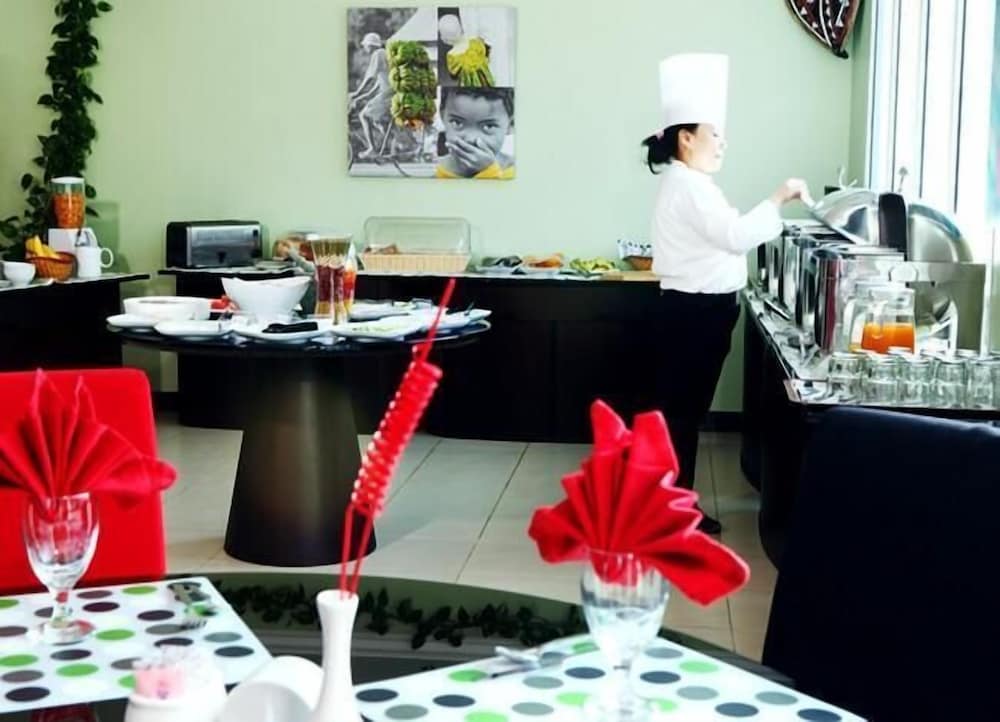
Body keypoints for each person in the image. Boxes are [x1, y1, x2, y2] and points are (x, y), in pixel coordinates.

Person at [647, 53, 811, 534]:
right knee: (683, 414)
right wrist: (779, 196)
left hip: (697, 312)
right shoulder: (690, 186)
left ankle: (671, 507)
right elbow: (735, 236)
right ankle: (672, 513)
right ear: (687, 138)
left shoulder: (690, 183)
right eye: (715, 133)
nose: (722, 143)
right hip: (695, 313)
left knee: (683, 412)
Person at [435, 87, 514, 179]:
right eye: (457, 122)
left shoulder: (518, 171)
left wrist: (489, 172)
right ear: (442, 116)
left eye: (488, 126)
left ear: (511, 124)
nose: (470, 139)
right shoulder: (430, 171)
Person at [349, 32, 393, 159]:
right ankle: (388, 145)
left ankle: (372, 149)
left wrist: (357, 92)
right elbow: (377, 86)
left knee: (363, 115)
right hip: (389, 93)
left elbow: (370, 78)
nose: (364, 48)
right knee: (374, 119)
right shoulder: (383, 54)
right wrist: (361, 97)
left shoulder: (377, 54)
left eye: (365, 45)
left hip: (387, 94)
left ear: (370, 45)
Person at [438, 13, 495, 87]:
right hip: (486, 79)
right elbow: (486, 51)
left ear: (445, 39)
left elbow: (454, 75)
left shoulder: (452, 56)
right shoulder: (475, 43)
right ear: (461, 29)